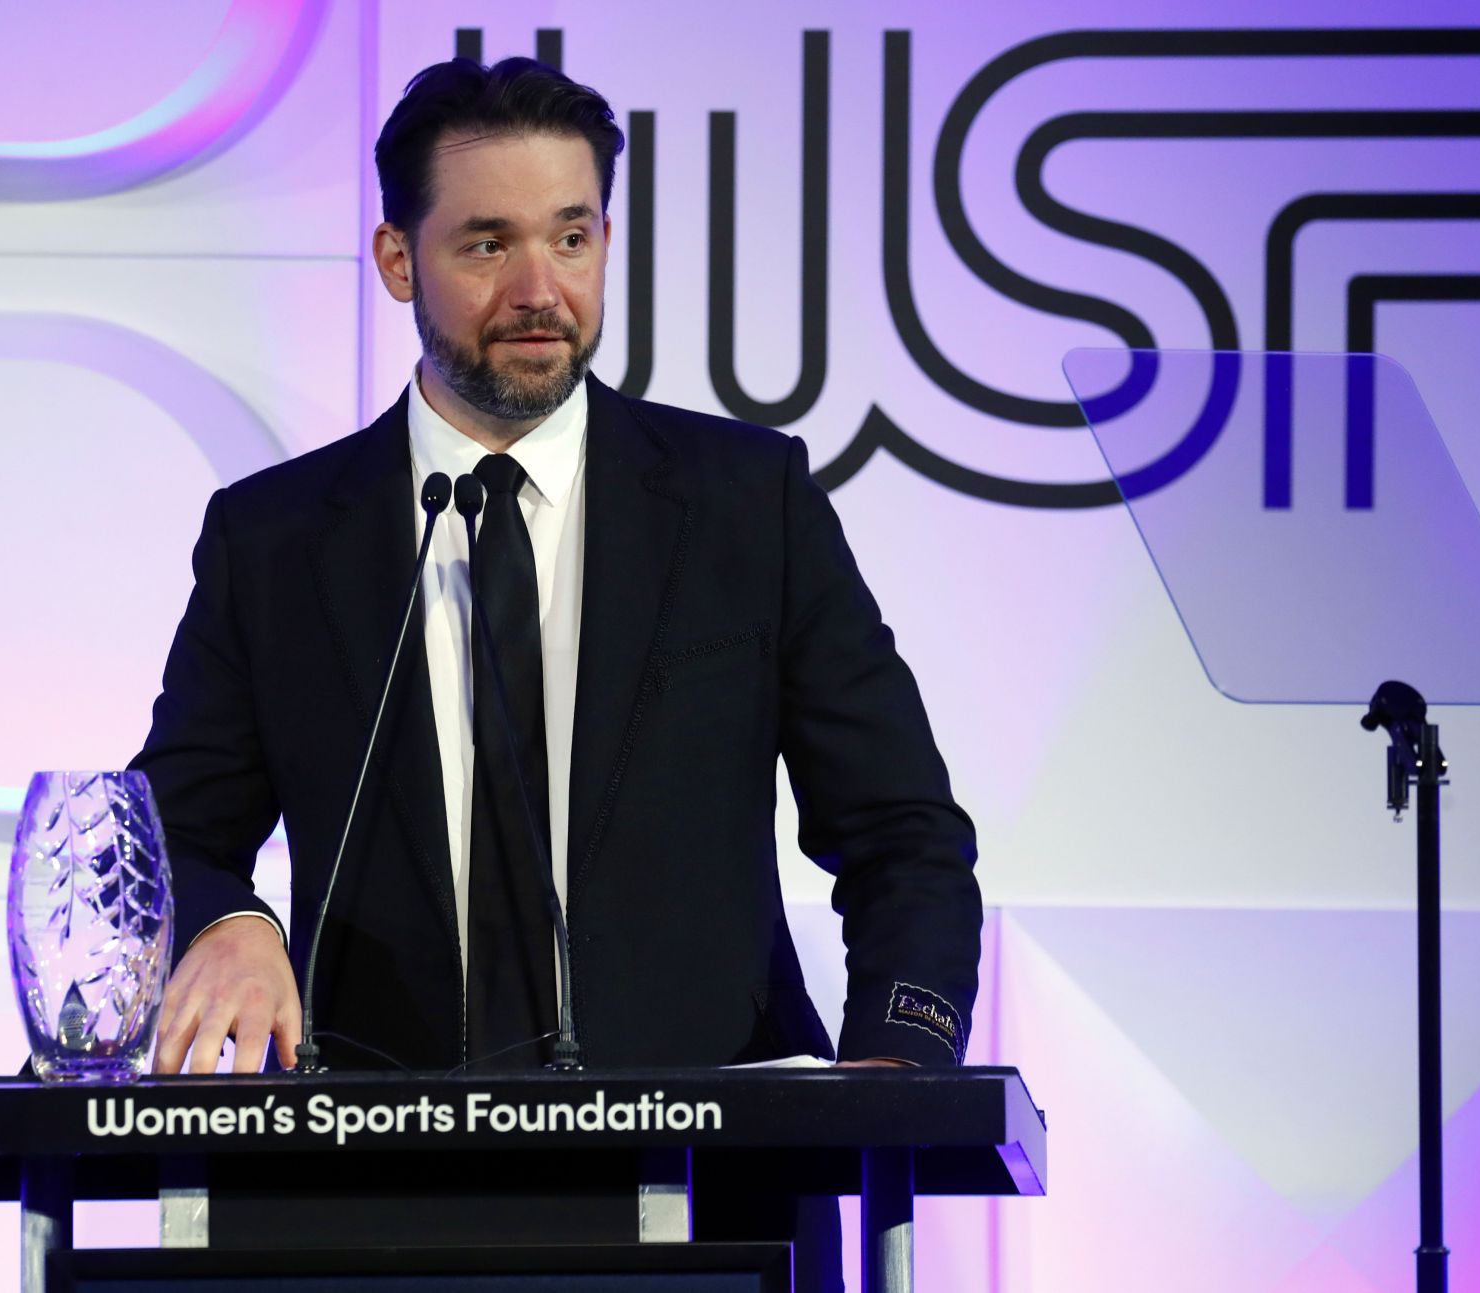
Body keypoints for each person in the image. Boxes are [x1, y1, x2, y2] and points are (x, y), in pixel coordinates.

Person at [129, 55, 981, 1289]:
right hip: (361, 1199)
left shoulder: (749, 506)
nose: (541, 290)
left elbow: (903, 831)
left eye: (570, 237)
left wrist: (897, 1077)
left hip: (713, 1192)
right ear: (395, 261)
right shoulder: (276, 540)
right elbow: (166, 833)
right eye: (486, 244)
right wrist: (228, 921)